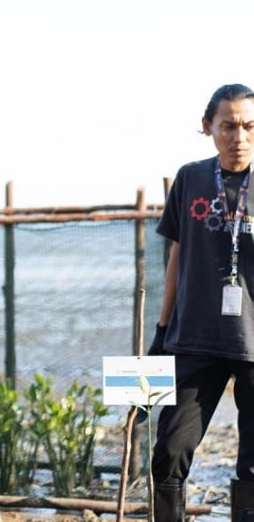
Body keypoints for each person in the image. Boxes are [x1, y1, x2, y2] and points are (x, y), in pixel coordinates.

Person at [150, 84, 254, 521]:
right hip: (194, 338)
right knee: (168, 455)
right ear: (207, 125)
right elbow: (178, 254)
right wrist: (160, 330)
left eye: (249, 126)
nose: (239, 137)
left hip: (253, 341)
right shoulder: (190, 177)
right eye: (228, 125)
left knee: (253, 464)